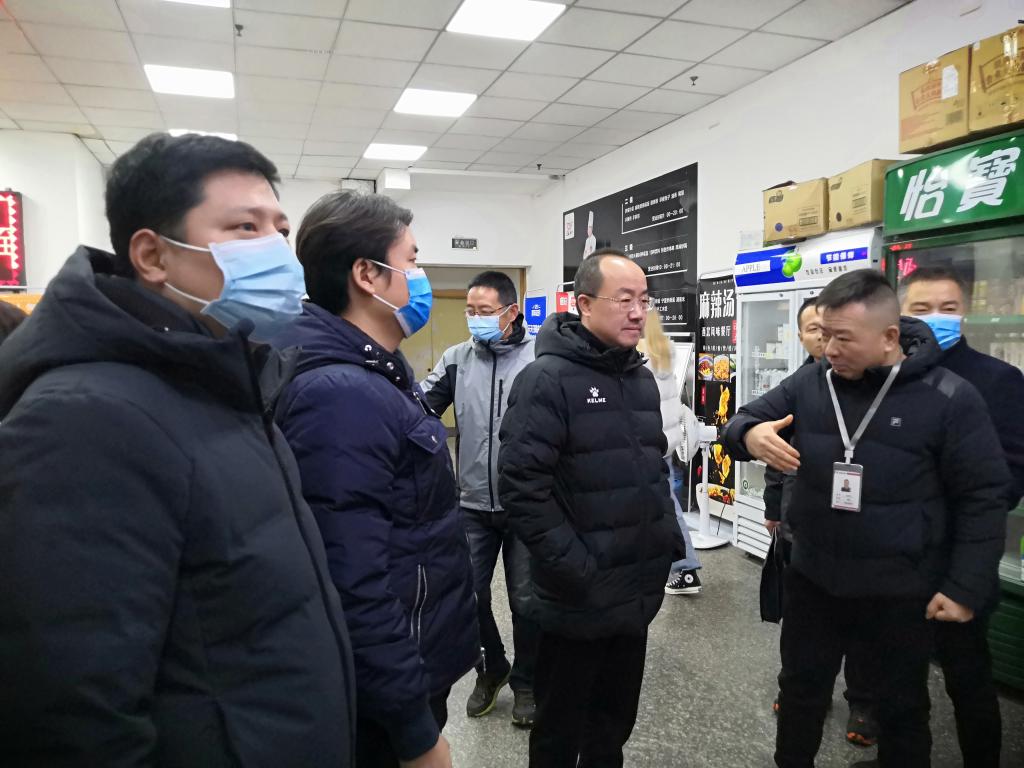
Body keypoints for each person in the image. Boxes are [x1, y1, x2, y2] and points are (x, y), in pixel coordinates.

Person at [0, 133, 356, 766]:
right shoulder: (84, 418)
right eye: (245, 227)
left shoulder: (227, 387)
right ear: (153, 255)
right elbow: (71, 712)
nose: (276, 250)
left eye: (280, 230)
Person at [721, 269, 1010, 768]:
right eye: (823, 334)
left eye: (843, 338)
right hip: (814, 579)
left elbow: (983, 497)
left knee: (901, 709)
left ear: (889, 337)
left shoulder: (949, 397)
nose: (829, 349)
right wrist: (748, 434)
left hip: (899, 589)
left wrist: (965, 586)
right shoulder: (812, 381)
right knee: (800, 695)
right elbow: (741, 418)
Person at [271, 191, 478, 768]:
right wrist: (412, 728)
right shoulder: (341, 395)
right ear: (366, 274)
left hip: (409, 664)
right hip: (385, 697)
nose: (420, 276)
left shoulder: (376, 372)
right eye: (412, 260)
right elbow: (353, 577)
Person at [498, 248, 685, 768]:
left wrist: (665, 542)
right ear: (583, 303)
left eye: (644, 300)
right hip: (575, 598)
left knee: (612, 726)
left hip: (635, 588)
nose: (637, 312)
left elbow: (652, 466)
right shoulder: (546, 379)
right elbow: (521, 486)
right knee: (559, 731)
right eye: (624, 299)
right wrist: (577, 568)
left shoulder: (638, 376)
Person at [893, 265, 1022, 767]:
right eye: (921, 309)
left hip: (960, 560)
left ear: (965, 311)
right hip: (896, 559)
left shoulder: (998, 380)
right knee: (900, 679)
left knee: (968, 679)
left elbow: (1008, 478)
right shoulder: (888, 375)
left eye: (948, 308)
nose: (936, 318)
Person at [421, 270, 539, 727]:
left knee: (526, 601)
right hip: (471, 503)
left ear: (511, 312)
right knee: (467, 595)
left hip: (525, 504)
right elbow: (418, 410)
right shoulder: (456, 359)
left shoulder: (539, 360)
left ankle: (527, 682)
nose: (475, 319)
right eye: (470, 311)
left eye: (484, 311)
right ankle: (491, 666)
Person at [637, 308, 703, 595]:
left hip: (647, 441)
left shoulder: (639, 357)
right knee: (665, 501)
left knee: (667, 506)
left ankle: (685, 568)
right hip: (664, 440)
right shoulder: (663, 352)